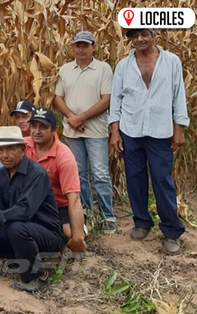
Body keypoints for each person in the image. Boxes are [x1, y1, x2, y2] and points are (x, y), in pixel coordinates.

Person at [109, 28, 190, 255]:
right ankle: (142, 222)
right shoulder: (124, 66)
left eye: (144, 34)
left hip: (160, 131)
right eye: (134, 37)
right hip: (130, 130)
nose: (139, 39)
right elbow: (116, 99)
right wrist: (115, 131)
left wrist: (179, 128)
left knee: (162, 180)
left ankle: (172, 231)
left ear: (154, 36)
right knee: (134, 179)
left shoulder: (171, 62)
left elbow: (178, 94)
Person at [0, 126, 66, 293]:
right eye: (0, 150)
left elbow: (24, 211)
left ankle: (36, 277)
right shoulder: (3, 175)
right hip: (21, 230)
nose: (4, 155)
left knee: (16, 228)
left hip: (47, 234)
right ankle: (22, 258)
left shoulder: (36, 174)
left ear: (22, 150)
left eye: (10, 149)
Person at [53, 31, 116, 233]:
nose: (81, 49)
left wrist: (81, 118)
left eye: (85, 45)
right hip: (72, 132)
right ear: (73, 47)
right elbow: (57, 98)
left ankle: (107, 216)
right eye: (78, 45)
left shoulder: (103, 69)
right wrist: (72, 117)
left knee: (100, 174)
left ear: (93, 47)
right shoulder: (65, 70)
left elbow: (106, 99)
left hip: (96, 131)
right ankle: (88, 213)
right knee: (79, 176)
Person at [24, 108, 86, 253]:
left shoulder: (64, 156)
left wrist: (77, 238)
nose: (37, 131)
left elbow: (74, 198)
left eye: (43, 127)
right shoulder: (23, 146)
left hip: (57, 206)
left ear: (54, 129)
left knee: (68, 234)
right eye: (34, 126)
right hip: (30, 203)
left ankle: (79, 228)